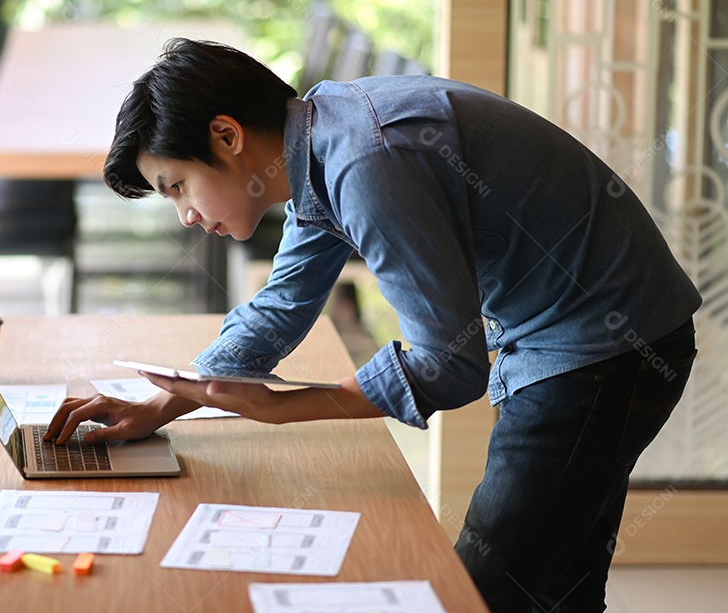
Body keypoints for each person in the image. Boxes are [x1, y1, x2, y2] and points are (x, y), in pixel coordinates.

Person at [44, 38, 700, 612]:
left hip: (605, 348)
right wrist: (158, 403)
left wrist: (286, 409)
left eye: (176, 185)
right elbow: (282, 305)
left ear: (226, 135)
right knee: (554, 583)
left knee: (484, 590)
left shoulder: (365, 160)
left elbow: (450, 363)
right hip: (595, 333)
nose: (184, 213)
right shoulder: (322, 137)